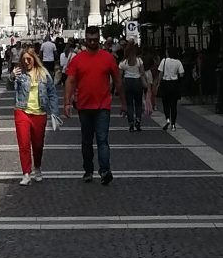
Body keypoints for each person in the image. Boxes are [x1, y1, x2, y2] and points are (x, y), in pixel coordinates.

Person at [61, 22, 120, 183]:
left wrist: (123, 102)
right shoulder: (78, 59)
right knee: (87, 141)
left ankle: (105, 170)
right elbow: (70, 81)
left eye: (95, 39)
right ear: (85, 40)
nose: (92, 42)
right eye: (89, 40)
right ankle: (88, 170)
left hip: (103, 106)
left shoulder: (108, 58)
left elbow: (118, 80)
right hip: (84, 106)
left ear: (99, 39)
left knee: (102, 139)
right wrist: (67, 102)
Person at [11, 43, 51, 180]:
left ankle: (37, 167)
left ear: (34, 59)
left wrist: (55, 112)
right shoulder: (19, 72)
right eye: (24, 60)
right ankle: (26, 173)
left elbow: (52, 92)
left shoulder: (43, 73)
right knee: (24, 144)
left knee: (38, 145)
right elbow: (9, 86)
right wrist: (12, 76)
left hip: (40, 112)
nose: (26, 62)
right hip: (22, 111)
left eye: (29, 59)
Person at [119, 42, 147, 132]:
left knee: (129, 104)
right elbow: (142, 73)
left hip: (127, 82)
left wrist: (119, 87)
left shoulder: (123, 62)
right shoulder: (139, 61)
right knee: (138, 103)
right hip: (137, 82)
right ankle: (138, 120)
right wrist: (145, 83)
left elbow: (119, 76)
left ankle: (131, 123)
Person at [155, 48, 185, 132]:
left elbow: (160, 73)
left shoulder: (164, 61)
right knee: (173, 105)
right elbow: (181, 74)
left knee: (166, 103)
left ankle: (167, 119)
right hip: (174, 84)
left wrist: (158, 83)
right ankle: (173, 125)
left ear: (168, 53)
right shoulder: (178, 62)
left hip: (165, 83)